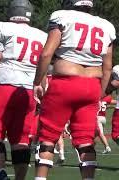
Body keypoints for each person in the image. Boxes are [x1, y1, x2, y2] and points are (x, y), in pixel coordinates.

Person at [33, 0, 115, 179]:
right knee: (86, 139)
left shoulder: (62, 17)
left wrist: (37, 81)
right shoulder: (106, 25)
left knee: (48, 137)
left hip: (65, 82)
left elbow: (47, 53)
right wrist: (99, 93)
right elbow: (107, 67)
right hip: (92, 84)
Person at [0, 0, 47, 179]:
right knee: (21, 139)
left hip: (4, 86)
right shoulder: (41, 35)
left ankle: (0, 172)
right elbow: (44, 67)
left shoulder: (2, 28)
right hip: (28, 91)